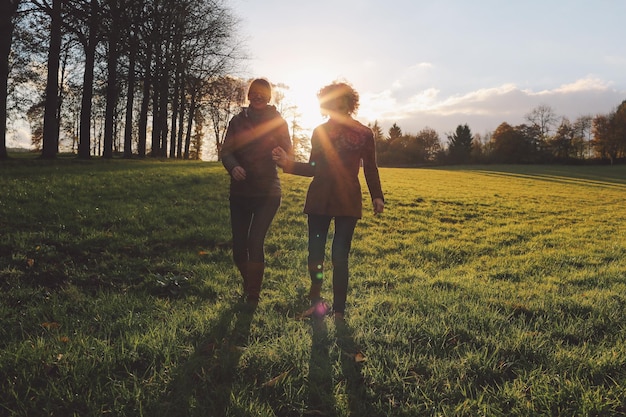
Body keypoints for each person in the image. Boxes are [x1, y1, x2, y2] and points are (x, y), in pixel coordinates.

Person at [272, 81, 384, 320]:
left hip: (348, 200)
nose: (336, 104)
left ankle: (339, 311)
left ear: (349, 103)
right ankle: (316, 301)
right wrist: (287, 164)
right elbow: (314, 168)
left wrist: (377, 196)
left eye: (340, 99)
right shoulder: (319, 132)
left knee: (340, 256)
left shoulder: (364, 133)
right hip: (320, 198)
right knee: (315, 253)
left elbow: (370, 168)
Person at [221, 78, 292, 306]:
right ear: (248, 96)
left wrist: (282, 156)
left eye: (263, 93)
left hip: (268, 193)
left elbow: (288, 155)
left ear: (269, 97)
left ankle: (253, 295)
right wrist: (234, 167)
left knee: (255, 242)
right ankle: (249, 284)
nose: (258, 96)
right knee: (239, 249)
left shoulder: (278, 122)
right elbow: (227, 152)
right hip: (240, 193)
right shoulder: (237, 121)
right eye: (254, 92)